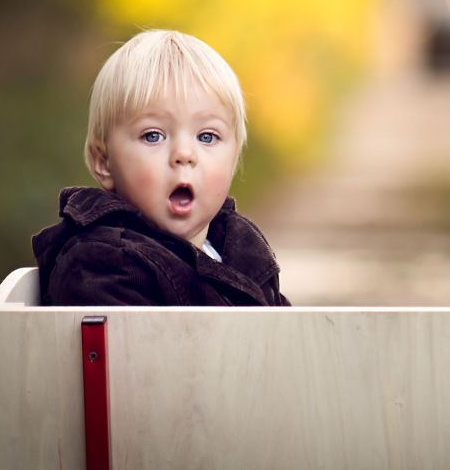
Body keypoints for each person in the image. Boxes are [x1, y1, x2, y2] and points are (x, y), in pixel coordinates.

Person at [32, 29, 289, 306]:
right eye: (153, 136)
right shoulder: (101, 263)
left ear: (235, 156)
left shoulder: (240, 249)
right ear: (104, 161)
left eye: (207, 137)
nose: (184, 155)